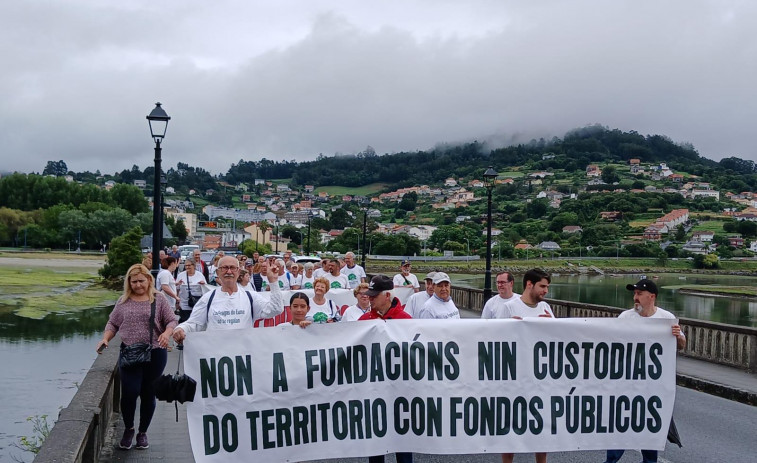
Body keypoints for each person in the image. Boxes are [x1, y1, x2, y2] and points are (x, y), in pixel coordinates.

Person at [604, 279, 686, 463]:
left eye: (639, 294)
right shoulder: (626, 317)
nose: (635, 298)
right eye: (634, 294)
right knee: (622, 424)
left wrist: (677, 336)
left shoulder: (666, 318)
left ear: (652, 296)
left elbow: (681, 345)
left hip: (652, 387)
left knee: (649, 428)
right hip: (627, 384)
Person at [96, 264, 176, 450]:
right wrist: (106, 339)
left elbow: (171, 320)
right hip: (130, 353)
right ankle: (129, 428)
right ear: (128, 283)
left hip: (155, 352)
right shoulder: (123, 301)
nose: (138, 285)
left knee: (148, 393)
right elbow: (113, 323)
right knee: (130, 392)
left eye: (141, 280)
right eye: (134, 282)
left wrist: (167, 333)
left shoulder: (158, 299)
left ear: (149, 280)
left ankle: (142, 433)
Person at [494, 268, 553, 463]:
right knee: (511, 429)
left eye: (547, 287)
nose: (545, 291)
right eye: (542, 286)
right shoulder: (510, 307)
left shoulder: (546, 309)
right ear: (529, 284)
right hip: (515, 379)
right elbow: (494, 340)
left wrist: (553, 326)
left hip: (539, 379)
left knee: (541, 430)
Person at [360, 275, 413, 463]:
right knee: (376, 444)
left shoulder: (407, 320)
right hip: (374, 392)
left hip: (401, 392)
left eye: (374, 295)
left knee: (403, 442)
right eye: (369, 295)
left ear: (388, 295)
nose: (370, 298)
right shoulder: (364, 320)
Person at [172, 256, 283, 341]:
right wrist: (181, 329)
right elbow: (194, 324)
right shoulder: (208, 298)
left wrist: (273, 281)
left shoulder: (250, 297)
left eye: (232, 268)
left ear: (238, 272)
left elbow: (276, 309)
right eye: (224, 268)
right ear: (218, 272)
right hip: (216, 357)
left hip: (243, 358)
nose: (229, 271)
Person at [175, 258, 207, 323]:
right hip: (184, 304)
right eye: (186, 265)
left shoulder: (200, 275)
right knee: (185, 321)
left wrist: (203, 284)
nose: (187, 267)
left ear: (194, 266)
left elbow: (205, 289)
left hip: (196, 303)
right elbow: (177, 289)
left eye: (189, 265)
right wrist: (177, 301)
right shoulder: (181, 275)